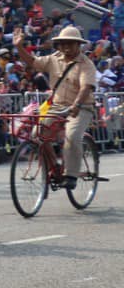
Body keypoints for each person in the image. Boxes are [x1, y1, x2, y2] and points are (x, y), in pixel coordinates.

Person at [13, 24, 98, 190]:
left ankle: (71, 174)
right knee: (37, 135)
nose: (66, 47)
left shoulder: (86, 64)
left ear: (78, 45)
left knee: (72, 136)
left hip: (81, 108)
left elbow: (85, 87)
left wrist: (76, 105)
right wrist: (19, 47)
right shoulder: (53, 59)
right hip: (57, 106)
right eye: (63, 43)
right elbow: (32, 62)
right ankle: (53, 167)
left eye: (70, 43)